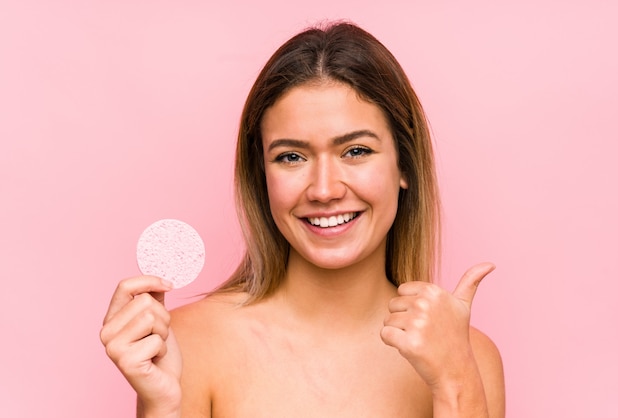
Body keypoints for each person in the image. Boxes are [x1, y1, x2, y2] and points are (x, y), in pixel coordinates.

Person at [100, 21, 505, 417]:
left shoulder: (469, 358)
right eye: (291, 157)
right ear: (262, 175)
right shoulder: (189, 345)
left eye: (356, 151)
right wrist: (161, 407)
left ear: (404, 165)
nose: (324, 190)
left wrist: (455, 383)